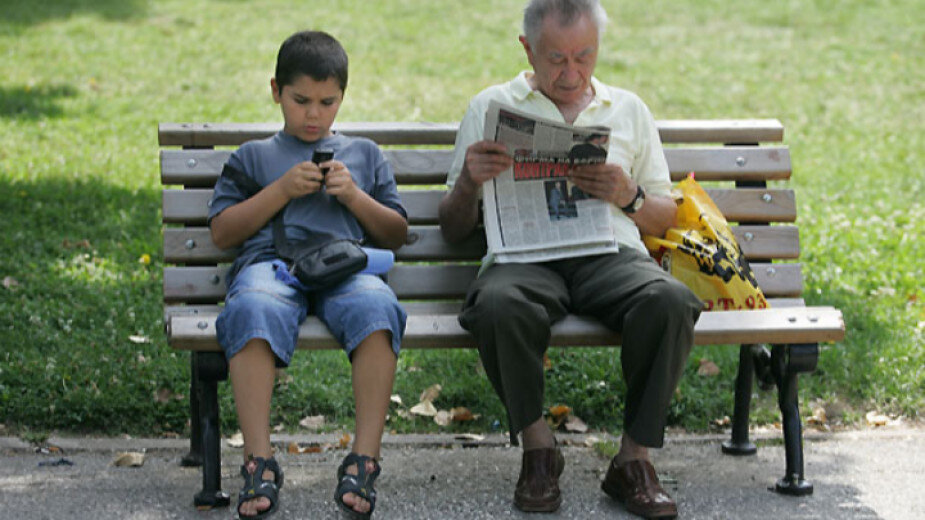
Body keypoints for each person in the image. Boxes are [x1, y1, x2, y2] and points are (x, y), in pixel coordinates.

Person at [438, 1, 702, 518]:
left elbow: (665, 217)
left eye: (585, 56)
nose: (572, 72)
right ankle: (539, 449)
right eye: (556, 58)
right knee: (496, 304)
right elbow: (452, 228)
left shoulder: (627, 109)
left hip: (609, 254)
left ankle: (633, 460)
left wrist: (628, 195)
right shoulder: (492, 107)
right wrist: (470, 181)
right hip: (523, 260)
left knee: (669, 301)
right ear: (527, 48)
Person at [208, 30, 407, 519]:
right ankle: (259, 461)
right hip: (270, 270)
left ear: (342, 97)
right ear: (276, 91)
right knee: (251, 308)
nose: (313, 115)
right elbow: (222, 232)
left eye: (327, 102)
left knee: (379, 309)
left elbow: (397, 232)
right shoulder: (253, 157)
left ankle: (364, 460)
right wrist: (279, 191)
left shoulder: (364, 154)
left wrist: (354, 196)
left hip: (345, 271)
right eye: (300, 101)